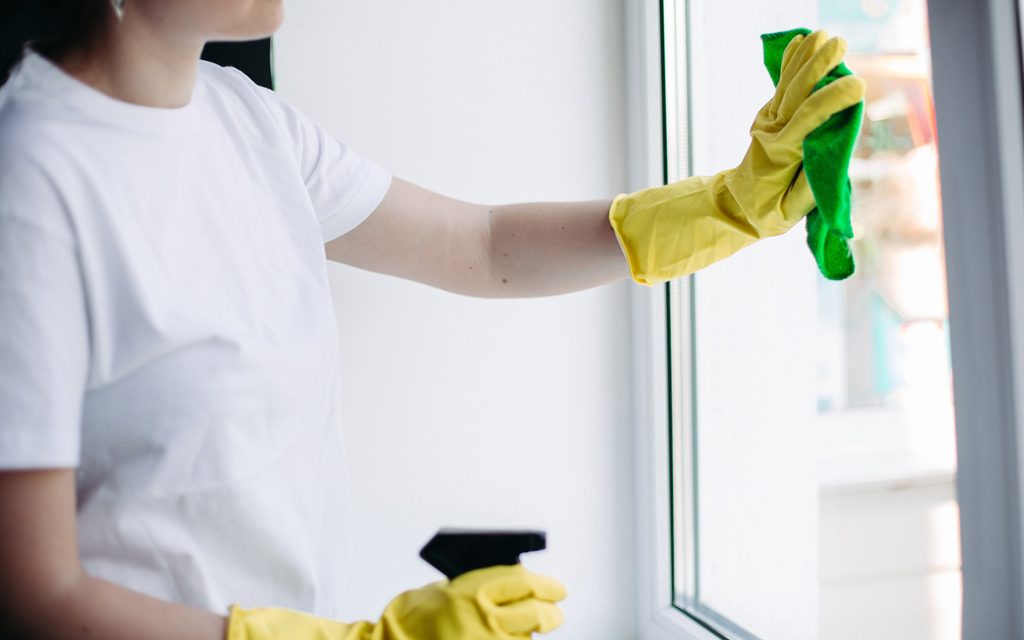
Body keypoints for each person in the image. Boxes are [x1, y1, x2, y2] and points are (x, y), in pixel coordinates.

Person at [0, 1, 865, 638]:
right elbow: (34, 587)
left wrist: (725, 204)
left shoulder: (243, 117)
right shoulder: (32, 179)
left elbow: (477, 243)